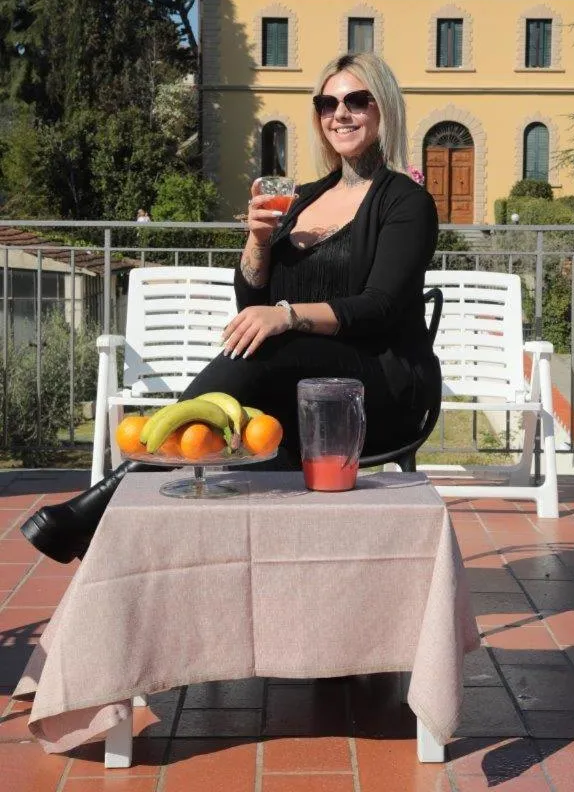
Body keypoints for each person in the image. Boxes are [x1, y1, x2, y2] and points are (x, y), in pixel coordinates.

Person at [20, 52, 442, 563]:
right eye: (328, 103)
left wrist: (286, 315)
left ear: (383, 109)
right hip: (297, 381)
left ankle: (105, 503)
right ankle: (135, 532)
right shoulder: (304, 197)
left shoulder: (405, 201)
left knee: (274, 342)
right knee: (263, 351)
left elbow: (381, 307)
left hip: (379, 386)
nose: (341, 113)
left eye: (357, 100)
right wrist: (258, 242)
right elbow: (253, 304)